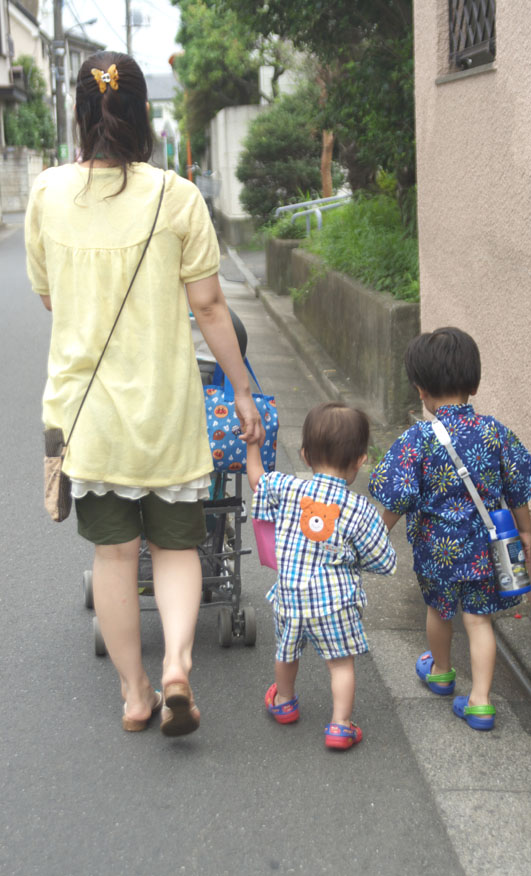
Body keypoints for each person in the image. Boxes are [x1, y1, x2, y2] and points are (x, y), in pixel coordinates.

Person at [25, 51, 262, 737]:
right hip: (166, 412)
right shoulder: (176, 197)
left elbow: (50, 298)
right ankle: (178, 665)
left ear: (80, 113)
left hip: (88, 416)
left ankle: (135, 694)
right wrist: (243, 391)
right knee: (178, 548)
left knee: (115, 556)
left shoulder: (47, 193)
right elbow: (210, 307)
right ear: (143, 116)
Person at [369, 327, 531, 731]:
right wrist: (525, 532)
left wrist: (377, 533)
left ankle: (441, 673)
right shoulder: (495, 432)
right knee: (479, 620)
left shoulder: (418, 438)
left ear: (421, 390)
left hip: (437, 550)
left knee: (439, 610)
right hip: (486, 548)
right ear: (474, 383)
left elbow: (397, 496)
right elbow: (518, 490)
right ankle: (481, 703)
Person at [247, 402, 396, 750]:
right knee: (341, 664)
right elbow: (383, 560)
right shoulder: (360, 509)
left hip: (291, 598)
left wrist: (254, 445)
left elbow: (257, 480)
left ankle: (284, 701)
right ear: (360, 460)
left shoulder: (286, 487)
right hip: (335, 604)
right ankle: (340, 725)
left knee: (286, 652)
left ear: (304, 454)